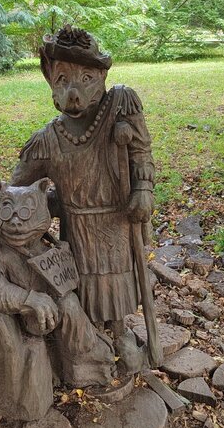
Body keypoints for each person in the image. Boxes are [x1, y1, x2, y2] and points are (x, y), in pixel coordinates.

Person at [10, 25, 155, 362]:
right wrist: (11, 212)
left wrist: (143, 187)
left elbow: (141, 151)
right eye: (62, 80)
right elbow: (19, 187)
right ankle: (88, 335)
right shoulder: (47, 139)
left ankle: (119, 332)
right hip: (75, 227)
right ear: (50, 82)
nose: (73, 93)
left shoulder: (120, 107)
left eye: (86, 79)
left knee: (116, 280)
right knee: (82, 281)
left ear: (102, 77)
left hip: (115, 220)